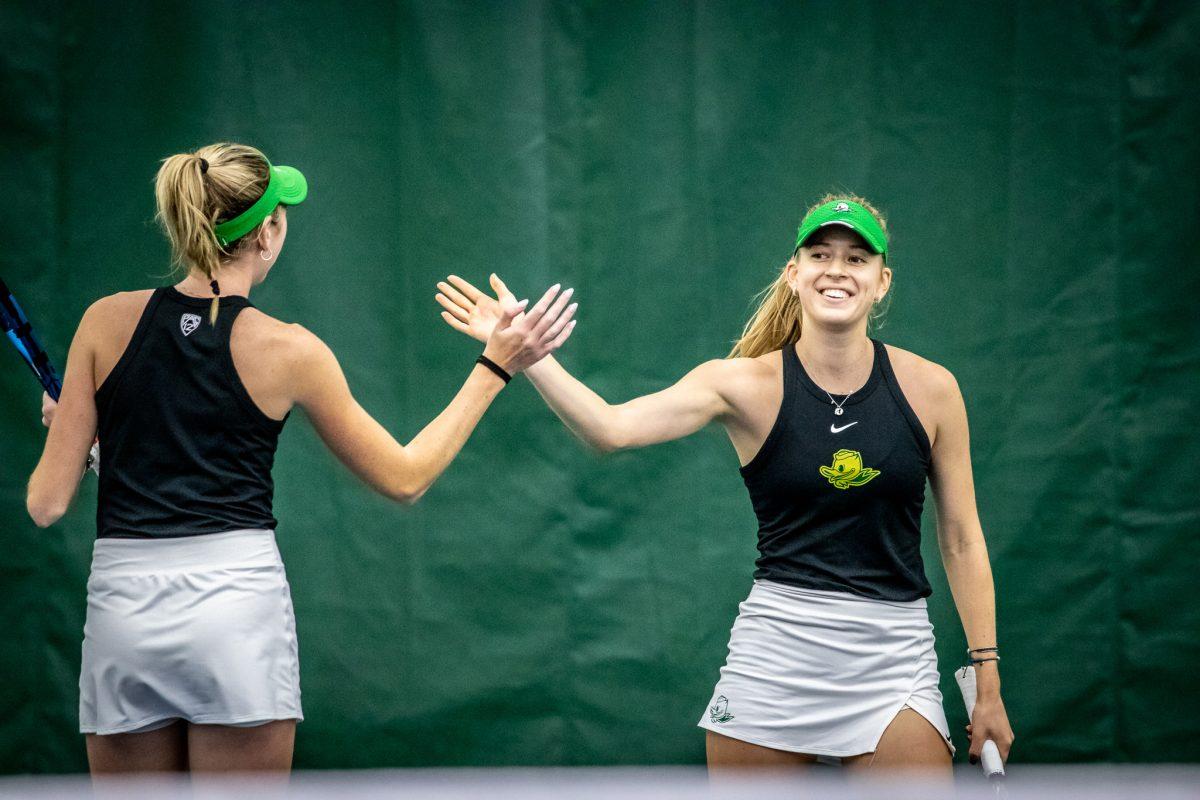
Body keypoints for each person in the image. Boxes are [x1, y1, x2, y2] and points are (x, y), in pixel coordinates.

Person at [25, 142, 577, 775]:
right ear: (266, 232)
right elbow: (405, 479)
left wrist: (77, 430)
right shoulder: (292, 351)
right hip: (235, 610)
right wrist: (495, 365)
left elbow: (46, 503)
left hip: (123, 612)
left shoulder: (101, 322)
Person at [434, 195, 1014, 772]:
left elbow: (961, 538)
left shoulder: (933, 389)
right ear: (794, 274)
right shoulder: (739, 385)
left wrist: (987, 682)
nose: (837, 269)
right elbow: (610, 429)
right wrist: (526, 355)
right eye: (820, 254)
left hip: (892, 658)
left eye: (857, 259)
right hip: (774, 657)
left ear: (881, 281)